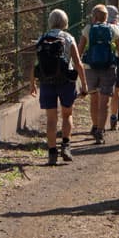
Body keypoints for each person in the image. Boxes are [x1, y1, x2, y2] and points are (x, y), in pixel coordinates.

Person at [29, 9, 88, 166]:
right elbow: (77, 63)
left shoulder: (42, 38)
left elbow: (35, 64)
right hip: (66, 81)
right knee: (67, 114)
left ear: (50, 22)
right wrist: (84, 85)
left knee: (51, 119)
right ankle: (66, 146)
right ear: (65, 22)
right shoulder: (68, 38)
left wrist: (32, 83)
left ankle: (52, 152)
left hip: (46, 82)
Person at [79, 4, 119, 144]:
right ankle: (100, 131)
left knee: (94, 99)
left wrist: (77, 66)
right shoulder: (114, 29)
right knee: (104, 102)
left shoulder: (88, 29)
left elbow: (80, 49)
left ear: (94, 17)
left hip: (90, 68)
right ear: (106, 17)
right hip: (108, 68)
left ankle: (94, 126)